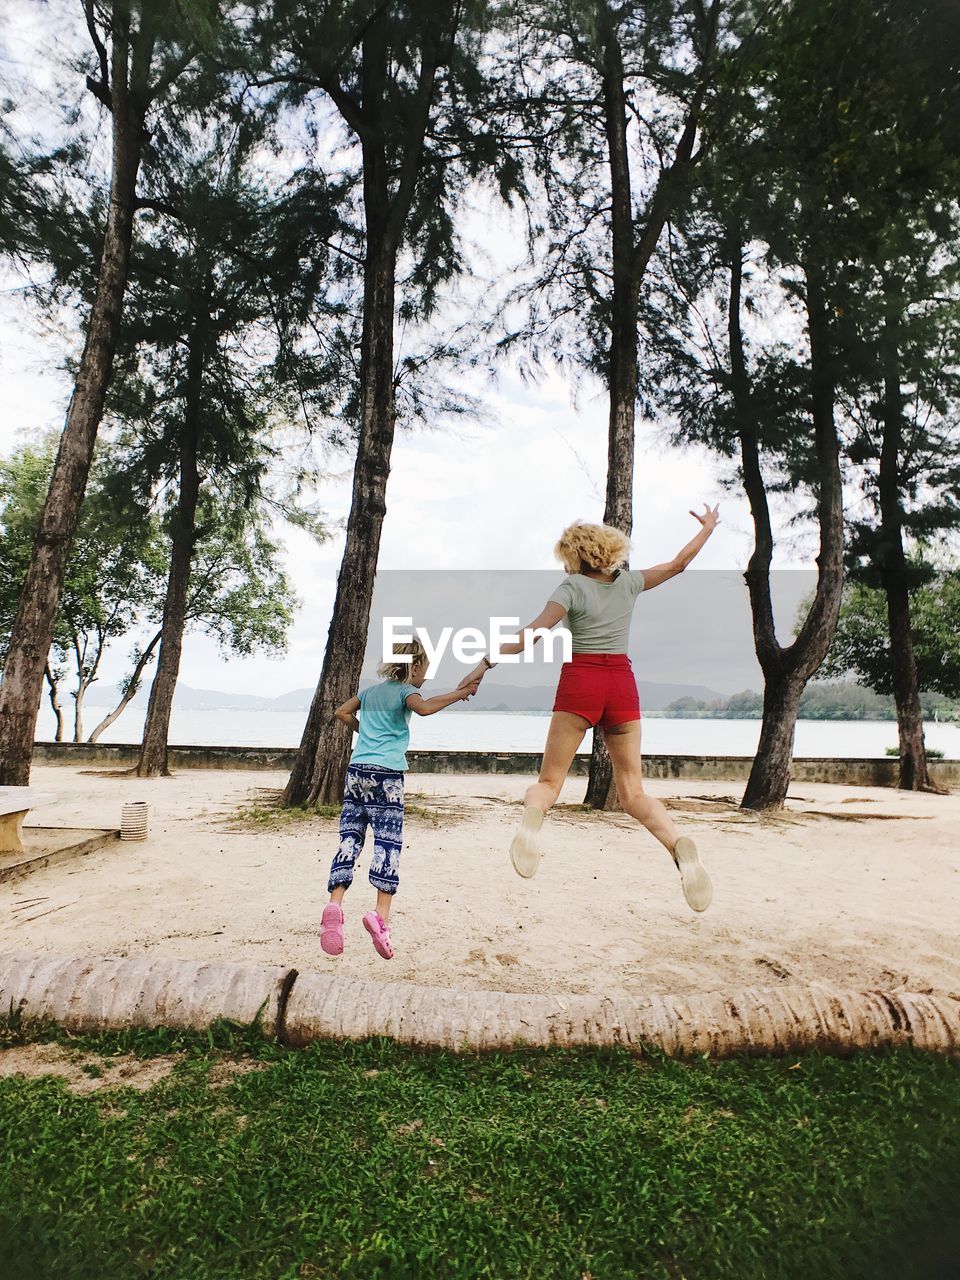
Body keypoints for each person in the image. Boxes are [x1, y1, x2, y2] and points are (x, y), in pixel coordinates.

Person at [459, 508, 720, 911]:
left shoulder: (572, 587)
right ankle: (676, 843)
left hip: (581, 681)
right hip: (620, 684)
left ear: (574, 556)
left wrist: (484, 663)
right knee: (633, 792)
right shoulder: (631, 583)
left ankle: (533, 821)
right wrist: (706, 529)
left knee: (549, 784)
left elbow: (533, 633)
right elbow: (680, 564)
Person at [321, 638, 479, 960]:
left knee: (349, 837)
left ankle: (334, 904)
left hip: (357, 772)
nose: (426, 678)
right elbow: (424, 708)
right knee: (387, 843)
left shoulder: (370, 692)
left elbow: (341, 712)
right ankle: (380, 916)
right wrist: (460, 694)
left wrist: (364, 731)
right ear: (415, 666)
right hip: (386, 776)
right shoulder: (407, 691)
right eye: (426, 671)